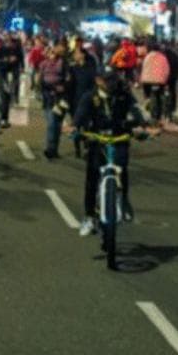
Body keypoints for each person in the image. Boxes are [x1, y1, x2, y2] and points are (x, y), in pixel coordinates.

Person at [74, 71, 148, 236]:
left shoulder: (123, 95)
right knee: (92, 178)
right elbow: (80, 115)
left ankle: (124, 202)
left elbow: (135, 110)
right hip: (97, 139)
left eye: (113, 80)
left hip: (119, 137)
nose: (111, 84)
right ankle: (89, 216)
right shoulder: (89, 97)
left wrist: (142, 125)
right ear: (98, 80)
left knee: (122, 169)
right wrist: (74, 127)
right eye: (107, 80)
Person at [38, 45, 68, 159]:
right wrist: (49, 88)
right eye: (50, 52)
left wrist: (63, 87)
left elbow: (68, 79)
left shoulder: (63, 64)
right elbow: (40, 81)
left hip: (60, 98)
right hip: (48, 98)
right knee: (51, 123)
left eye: (54, 52)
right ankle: (50, 148)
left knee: (57, 124)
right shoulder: (43, 65)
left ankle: (54, 149)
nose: (52, 54)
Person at [138, 43, 171, 123]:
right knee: (159, 97)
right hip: (160, 81)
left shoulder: (148, 57)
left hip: (147, 80)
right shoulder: (163, 57)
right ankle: (159, 116)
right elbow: (167, 69)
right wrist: (166, 79)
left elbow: (143, 67)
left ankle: (147, 100)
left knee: (147, 94)